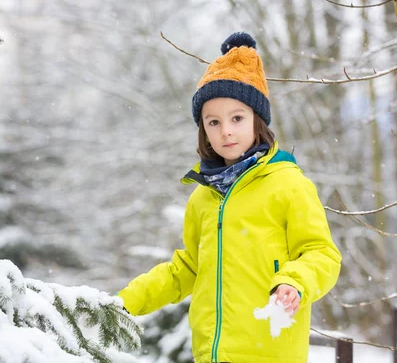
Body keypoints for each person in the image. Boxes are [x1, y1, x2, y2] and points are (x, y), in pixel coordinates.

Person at [117, 31, 342, 363]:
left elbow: (321, 254)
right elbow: (188, 268)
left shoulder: (289, 185)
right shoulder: (203, 198)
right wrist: (122, 304)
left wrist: (293, 282)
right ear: (203, 130)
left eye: (237, 118)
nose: (226, 130)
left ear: (257, 120)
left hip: (270, 352)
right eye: (214, 122)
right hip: (210, 354)